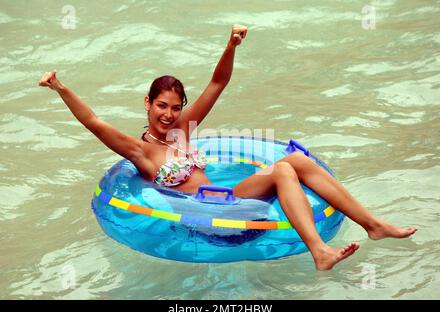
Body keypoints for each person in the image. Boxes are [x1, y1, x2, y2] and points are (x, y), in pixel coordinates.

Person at [39, 25, 417, 270]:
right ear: (147, 103)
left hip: (231, 202)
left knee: (292, 162)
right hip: (210, 224)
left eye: (176, 107)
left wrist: (230, 44)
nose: (169, 115)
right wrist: (61, 88)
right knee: (285, 170)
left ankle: (373, 224)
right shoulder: (139, 153)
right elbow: (94, 122)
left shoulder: (183, 132)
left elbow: (217, 83)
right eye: (161, 106)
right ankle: (320, 250)